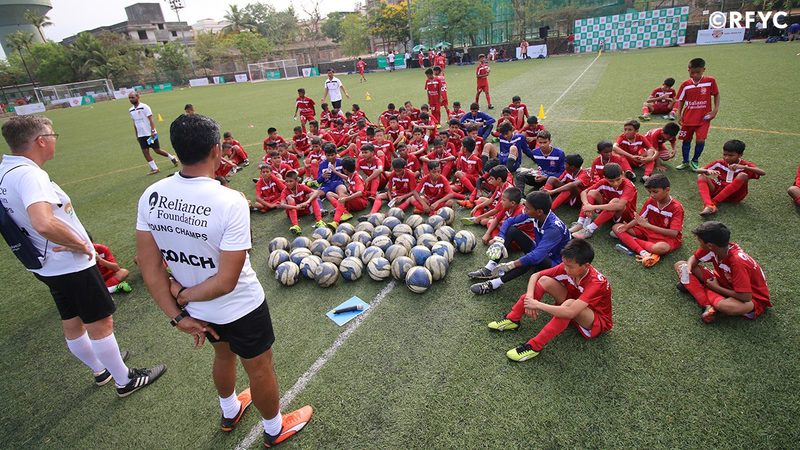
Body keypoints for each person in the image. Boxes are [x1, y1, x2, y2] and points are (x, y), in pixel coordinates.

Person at [136, 114, 313, 445]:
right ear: (217, 150)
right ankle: (274, 429)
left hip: (200, 311)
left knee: (222, 354)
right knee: (259, 367)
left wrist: (178, 314)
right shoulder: (230, 200)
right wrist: (184, 297)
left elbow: (148, 266)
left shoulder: (151, 195)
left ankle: (230, 410)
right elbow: (227, 280)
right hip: (239, 306)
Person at [0, 115, 165, 396]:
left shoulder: (7, 170)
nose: (55, 140)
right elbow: (42, 222)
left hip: (45, 265)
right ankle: (124, 380)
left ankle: (101, 368)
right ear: (41, 141)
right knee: (100, 322)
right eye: (52, 135)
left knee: (72, 320)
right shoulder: (30, 175)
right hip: (68, 264)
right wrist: (79, 244)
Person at [487, 239, 612, 362]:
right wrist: (529, 298)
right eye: (564, 264)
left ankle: (534, 347)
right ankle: (512, 319)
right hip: (574, 303)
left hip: (595, 320)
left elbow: (570, 312)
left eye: (570, 267)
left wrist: (537, 305)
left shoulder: (597, 283)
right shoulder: (568, 266)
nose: (566, 269)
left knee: (569, 305)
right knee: (544, 281)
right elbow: (536, 276)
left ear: (586, 266)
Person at [468, 191, 570, 295]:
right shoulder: (539, 214)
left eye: (527, 208)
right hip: (541, 252)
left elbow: (536, 256)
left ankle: (494, 284)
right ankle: (489, 268)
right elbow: (509, 222)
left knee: (530, 259)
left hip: (554, 264)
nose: (525, 210)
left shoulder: (553, 229)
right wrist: (500, 240)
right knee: (512, 230)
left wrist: (511, 265)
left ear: (539, 211)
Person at [674, 221, 771, 323]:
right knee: (681, 265)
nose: (698, 242)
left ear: (710, 245)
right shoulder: (717, 248)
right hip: (724, 282)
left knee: (725, 306)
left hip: (752, 298)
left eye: (699, 240)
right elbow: (695, 258)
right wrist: (688, 268)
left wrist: (716, 288)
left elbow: (745, 297)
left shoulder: (737, 262)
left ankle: (698, 290)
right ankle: (708, 304)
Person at [611, 174, 684, 267]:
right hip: (647, 231)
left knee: (661, 248)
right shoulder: (650, 201)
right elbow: (639, 219)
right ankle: (643, 252)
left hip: (666, 237)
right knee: (617, 227)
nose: (652, 195)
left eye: (655, 192)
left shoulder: (677, 208)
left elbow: (673, 233)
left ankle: (629, 240)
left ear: (667, 190)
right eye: (650, 192)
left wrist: (648, 225)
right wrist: (627, 227)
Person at [695, 139, 765, 216]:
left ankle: (713, 202)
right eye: (725, 154)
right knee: (701, 175)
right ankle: (708, 204)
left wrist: (745, 167)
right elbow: (698, 170)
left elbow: (762, 172)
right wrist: (706, 171)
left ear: (740, 155)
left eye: (731, 155)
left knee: (743, 175)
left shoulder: (744, 165)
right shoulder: (719, 163)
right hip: (718, 191)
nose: (727, 158)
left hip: (735, 195)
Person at [571, 163, 637, 240]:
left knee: (615, 201)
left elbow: (620, 206)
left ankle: (589, 229)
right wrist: (587, 205)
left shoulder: (628, 185)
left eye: (618, 179)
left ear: (622, 174)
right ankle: (581, 223)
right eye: (611, 181)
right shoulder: (603, 182)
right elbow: (584, 192)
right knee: (592, 192)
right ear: (605, 178)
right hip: (608, 211)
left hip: (625, 216)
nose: (615, 183)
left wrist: (592, 207)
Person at [675, 58, 720, 170]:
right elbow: (681, 100)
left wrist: (715, 110)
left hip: (703, 118)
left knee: (700, 140)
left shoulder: (710, 81)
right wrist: (679, 114)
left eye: (698, 72)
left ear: (703, 70)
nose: (695, 75)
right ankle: (685, 161)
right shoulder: (685, 84)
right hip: (688, 118)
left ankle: (695, 160)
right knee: (686, 140)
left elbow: (716, 94)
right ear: (688, 70)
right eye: (692, 72)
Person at [128, 92, 178, 175]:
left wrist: (153, 131)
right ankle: (155, 168)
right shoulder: (131, 110)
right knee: (145, 151)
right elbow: (135, 123)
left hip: (150, 134)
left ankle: (172, 157)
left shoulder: (144, 107)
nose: (131, 99)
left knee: (157, 150)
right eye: (129, 98)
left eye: (132, 97)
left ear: (138, 97)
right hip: (141, 135)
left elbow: (151, 120)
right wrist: (137, 134)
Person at [280, 170, 326, 235]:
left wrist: (307, 201)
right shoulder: (284, 191)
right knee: (290, 199)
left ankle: (319, 221)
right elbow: (282, 204)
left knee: (311, 195)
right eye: (286, 181)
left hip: (304, 209)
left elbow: (315, 192)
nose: (288, 183)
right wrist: (295, 207)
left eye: (291, 181)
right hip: (294, 211)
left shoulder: (301, 186)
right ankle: (296, 226)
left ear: (296, 181)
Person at [326, 157, 368, 228]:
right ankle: (345, 212)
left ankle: (335, 222)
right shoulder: (351, 175)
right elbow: (346, 178)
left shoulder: (356, 178)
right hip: (353, 201)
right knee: (329, 194)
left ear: (345, 170)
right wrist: (335, 171)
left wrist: (346, 198)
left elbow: (360, 192)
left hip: (361, 203)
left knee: (342, 197)